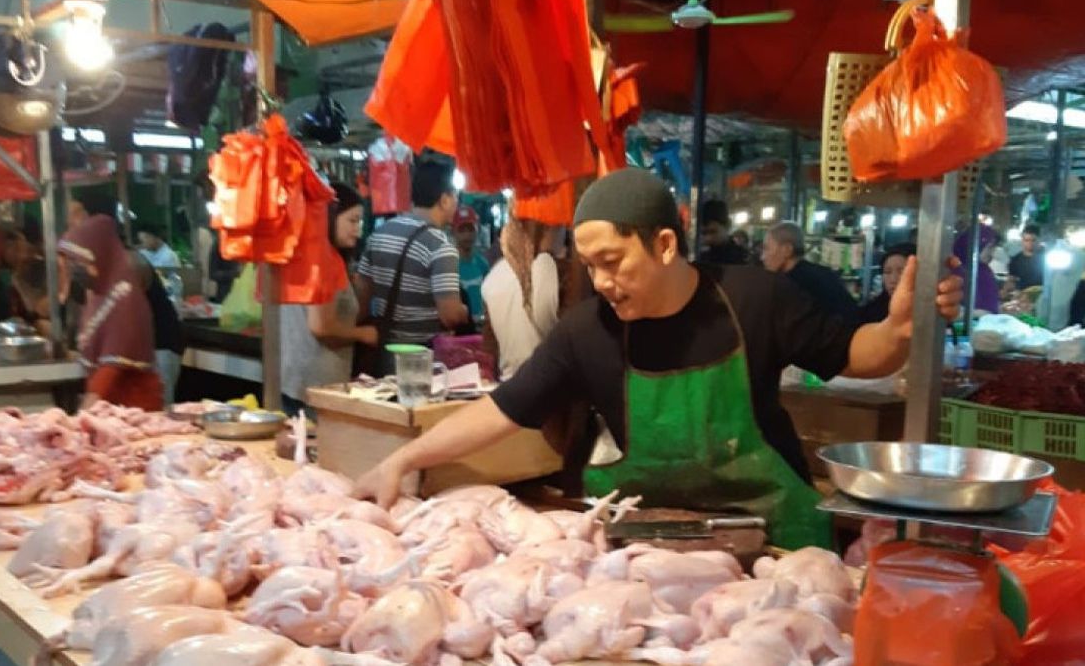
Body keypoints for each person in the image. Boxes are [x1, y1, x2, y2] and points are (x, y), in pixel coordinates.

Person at [353, 168, 963, 550]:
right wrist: (401, 460)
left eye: (613, 262)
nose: (600, 282)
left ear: (665, 244)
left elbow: (862, 356)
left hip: (776, 539)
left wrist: (901, 328)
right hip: (651, 546)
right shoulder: (585, 330)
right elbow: (502, 410)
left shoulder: (755, 298)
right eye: (588, 266)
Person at [281, 182, 379, 415]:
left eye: (360, 222)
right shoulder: (322, 259)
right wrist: (365, 334)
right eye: (352, 221)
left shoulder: (301, 252)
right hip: (317, 386)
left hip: (295, 380)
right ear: (330, 216)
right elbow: (321, 326)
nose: (358, 229)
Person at [354, 158, 468, 354]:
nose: (456, 204)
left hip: (384, 350)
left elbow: (361, 301)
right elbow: (449, 315)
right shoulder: (440, 245)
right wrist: (463, 311)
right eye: (455, 196)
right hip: (423, 356)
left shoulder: (380, 234)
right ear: (445, 199)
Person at [59, 208, 163, 411]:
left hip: (135, 409)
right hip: (110, 408)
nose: (77, 268)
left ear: (100, 255)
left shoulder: (125, 294)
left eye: (81, 261)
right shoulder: (98, 294)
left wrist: (87, 407)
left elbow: (114, 361)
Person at [481, 217, 559, 380]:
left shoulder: (494, 275)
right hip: (553, 386)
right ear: (546, 230)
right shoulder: (552, 268)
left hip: (509, 385)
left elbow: (490, 349)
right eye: (558, 228)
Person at [762, 222, 858, 320]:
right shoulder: (823, 273)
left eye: (767, 249)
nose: (763, 257)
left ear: (787, 250)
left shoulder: (792, 285)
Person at [131, 252, 185, 409]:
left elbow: (127, 310)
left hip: (162, 342)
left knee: (159, 409)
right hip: (149, 344)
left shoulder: (133, 263)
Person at [857, 244, 915, 326]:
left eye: (902, 272)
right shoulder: (869, 314)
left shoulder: (929, 312)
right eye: (887, 272)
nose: (893, 279)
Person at [452, 205, 492, 325]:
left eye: (470, 230)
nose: (467, 235)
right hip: (458, 328)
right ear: (453, 232)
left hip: (480, 327)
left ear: (477, 231)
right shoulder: (448, 265)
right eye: (462, 230)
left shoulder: (482, 264)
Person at [953, 225, 1001, 316]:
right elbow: (951, 312)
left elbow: (990, 305)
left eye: (994, 248)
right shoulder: (956, 271)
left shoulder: (984, 271)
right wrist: (983, 314)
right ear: (975, 246)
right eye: (990, 247)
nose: (992, 253)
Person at [697, 199, 750, 265]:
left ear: (727, 226)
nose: (708, 238)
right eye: (704, 233)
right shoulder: (702, 257)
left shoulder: (740, 258)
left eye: (713, 232)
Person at [1008, 225, 1045, 291]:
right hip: (1021, 296)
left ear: (1039, 241)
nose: (1030, 243)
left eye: (1033, 240)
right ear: (1022, 241)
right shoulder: (1015, 260)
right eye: (1027, 240)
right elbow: (1011, 280)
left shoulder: (1046, 259)